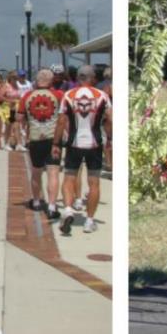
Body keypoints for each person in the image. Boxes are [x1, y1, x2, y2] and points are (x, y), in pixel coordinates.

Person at [57, 64, 111, 235]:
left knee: (69, 178)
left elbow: (61, 121)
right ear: (92, 77)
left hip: (74, 143)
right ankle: (89, 221)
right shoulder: (102, 95)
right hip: (94, 144)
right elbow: (110, 119)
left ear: (79, 77)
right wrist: (110, 138)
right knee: (94, 182)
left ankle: (67, 209)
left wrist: (56, 144)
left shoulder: (69, 95)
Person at [21, 68, 66, 220]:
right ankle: (52, 206)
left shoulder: (27, 96)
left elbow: (19, 117)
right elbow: (63, 117)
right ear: (51, 81)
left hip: (35, 138)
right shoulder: (58, 95)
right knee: (53, 172)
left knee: (36, 171)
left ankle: (35, 201)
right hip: (53, 139)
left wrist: (26, 129)